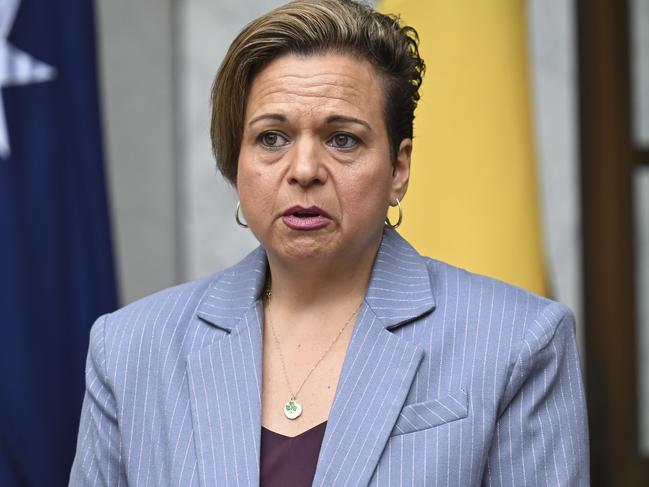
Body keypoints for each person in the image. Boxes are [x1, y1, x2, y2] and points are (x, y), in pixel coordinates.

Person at [69, 0, 589, 485]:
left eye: (343, 139)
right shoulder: (130, 348)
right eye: (271, 137)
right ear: (235, 164)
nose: (303, 170)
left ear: (398, 169)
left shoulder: (519, 342)